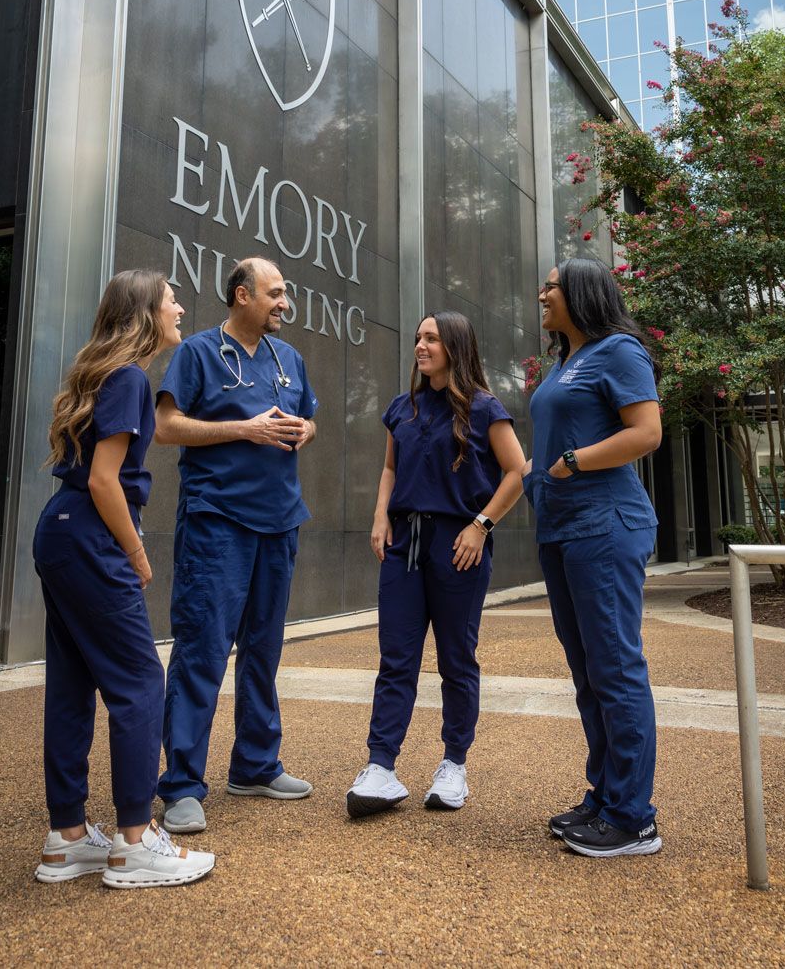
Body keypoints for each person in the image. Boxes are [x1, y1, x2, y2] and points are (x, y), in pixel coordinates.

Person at [33, 270, 215, 888]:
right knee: (140, 681)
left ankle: (67, 837)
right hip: (90, 532)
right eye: (171, 301)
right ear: (144, 313)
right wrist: (137, 555)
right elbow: (106, 480)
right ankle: (136, 841)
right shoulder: (132, 376)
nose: (181, 308)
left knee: (73, 681)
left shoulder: (103, 372)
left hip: (59, 529)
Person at [155, 256, 318, 834]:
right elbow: (167, 427)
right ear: (242, 295)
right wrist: (244, 428)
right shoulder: (198, 353)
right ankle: (180, 785)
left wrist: (303, 429)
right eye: (275, 294)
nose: (284, 303)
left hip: (279, 523)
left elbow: (309, 418)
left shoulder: (288, 358)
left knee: (264, 651)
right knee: (202, 649)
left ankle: (254, 764)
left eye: (286, 293)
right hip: (217, 522)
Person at [346, 312, 525, 817]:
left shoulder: (486, 408)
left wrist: (481, 525)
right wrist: (381, 516)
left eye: (431, 339)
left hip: (458, 545)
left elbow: (517, 471)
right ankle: (381, 766)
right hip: (404, 544)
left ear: (455, 348)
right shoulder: (402, 407)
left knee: (455, 660)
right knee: (396, 658)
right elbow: (389, 468)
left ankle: (454, 766)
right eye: (418, 337)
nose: (420, 346)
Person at [524, 257, 663, 859]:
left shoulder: (618, 351)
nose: (542, 294)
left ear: (581, 292)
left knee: (615, 668)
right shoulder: (566, 360)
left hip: (605, 525)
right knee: (587, 672)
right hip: (562, 530)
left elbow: (646, 432)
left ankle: (633, 820)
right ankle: (605, 796)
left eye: (551, 285)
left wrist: (574, 461)